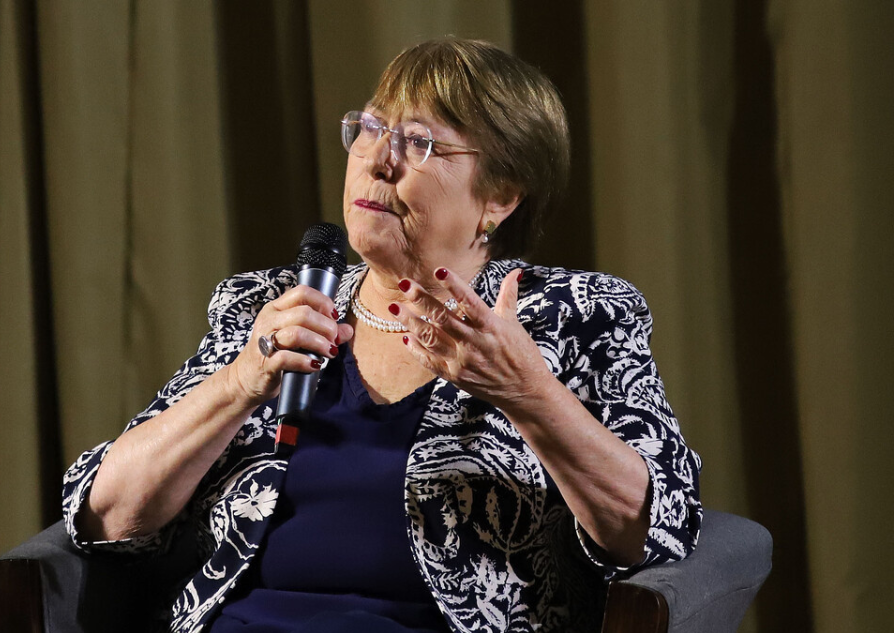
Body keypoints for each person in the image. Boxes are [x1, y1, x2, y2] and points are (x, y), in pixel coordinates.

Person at [62, 38, 701, 633]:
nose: (377, 160)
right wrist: (238, 384)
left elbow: (656, 527)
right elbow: (104, 515)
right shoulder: (266, 309)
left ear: (499, 197)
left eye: (419, 142)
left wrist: (529, 393)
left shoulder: (578, 314)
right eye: (370, 129)